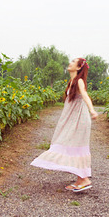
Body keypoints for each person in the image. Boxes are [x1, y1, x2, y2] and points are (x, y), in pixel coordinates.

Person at [30, 57, 98, 192]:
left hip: (80, 119)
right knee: (72, 145)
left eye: (73, 62)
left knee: (76, 147)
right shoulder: (71, 81)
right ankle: (81, 179)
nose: (70, 63)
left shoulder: (79, 81)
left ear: (79, 67)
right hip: (73, 119)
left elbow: (85, 95)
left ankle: (84, 179)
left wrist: (92, 110)